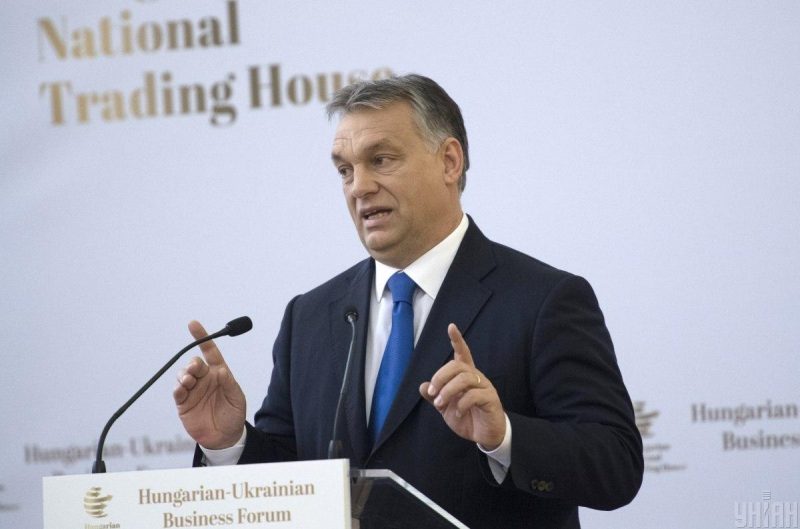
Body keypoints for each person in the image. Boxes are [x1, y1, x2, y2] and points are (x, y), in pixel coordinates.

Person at [173, 74, 643, 528]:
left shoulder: (543, 300)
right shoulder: (311, 316)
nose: (359, 186)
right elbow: (291, 478)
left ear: (449, 162)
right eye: (345, 170)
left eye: (380, 160)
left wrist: (504, 435)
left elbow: (615, 464)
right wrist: (229, 443)